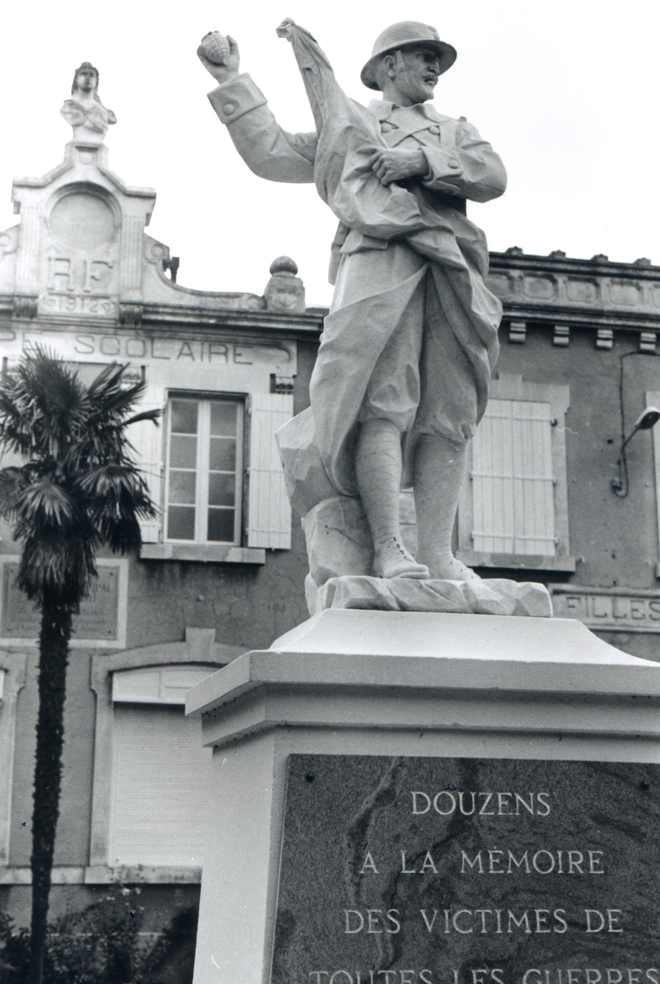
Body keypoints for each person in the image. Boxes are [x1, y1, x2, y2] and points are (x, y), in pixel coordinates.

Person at [198, 21, 506, 581]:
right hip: (379, 261)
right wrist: (232, 80)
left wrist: (422, 164)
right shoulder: (354, 126)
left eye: (437, 58)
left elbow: (492, 176)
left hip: (451, 267)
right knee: (383, 399)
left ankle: (437, 554)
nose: (435, 67)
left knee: (448, 410)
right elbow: (272, 154)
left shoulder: (455, 130)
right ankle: (389, 547)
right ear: (389, 65)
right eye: (422, 56)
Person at [61, 62, 117, 140]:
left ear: (96, 81)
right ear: (76, 79)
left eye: (91, 75)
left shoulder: (103, 112)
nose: (87, 78)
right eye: (83, 74)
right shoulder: (69, 107)